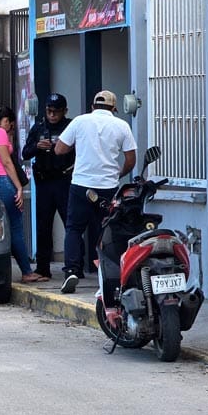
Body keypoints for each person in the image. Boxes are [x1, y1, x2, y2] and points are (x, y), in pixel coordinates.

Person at [54, 90, 136, 294]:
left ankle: (72, 270)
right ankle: (107, 277)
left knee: (73, 229)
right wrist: (118, 173)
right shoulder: (121, 126)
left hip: (81, 185)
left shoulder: (80, 122)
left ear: (92, 106)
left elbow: (59, 149)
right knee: (107, 231)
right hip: (107, 188)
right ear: (114, 108)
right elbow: (131, 160)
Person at [0, 106, 46, 283]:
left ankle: (21, 269)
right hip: (1, 180)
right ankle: (26, 271)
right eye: (10, 123)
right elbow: (7, 162)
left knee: (4, 225)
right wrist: (19, 187)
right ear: (5, 121)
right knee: (15, 225)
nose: (10, 127)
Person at [21, 93, 75, 279]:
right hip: (43, 181)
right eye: (49, 111)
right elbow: (25, 153)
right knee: (43, 225)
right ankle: (43, 267)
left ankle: (73, 267)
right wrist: (37, 146)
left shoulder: (70, 127)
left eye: (56, 112)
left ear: (64, 111)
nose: (52, 115)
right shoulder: (39, 128)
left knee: (71, 224)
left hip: (63, 180)